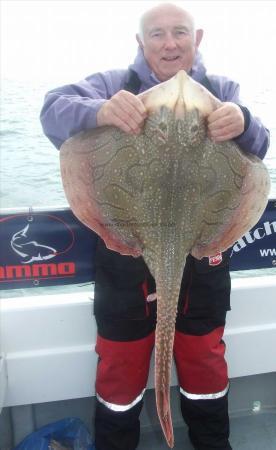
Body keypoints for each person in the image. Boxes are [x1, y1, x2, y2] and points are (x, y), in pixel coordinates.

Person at [40, 3, 269, 450]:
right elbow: (53, 110)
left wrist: (243, 122)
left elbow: (259, 147)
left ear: (196, 38)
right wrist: (102, 112)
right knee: (120, 365)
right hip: (125, 254)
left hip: (200, 259)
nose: (169, 43)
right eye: (158, 34)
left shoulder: (221, 89)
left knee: (203, 360)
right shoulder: (112, 85)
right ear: (140, 42)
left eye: (179, 32)